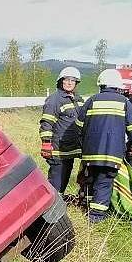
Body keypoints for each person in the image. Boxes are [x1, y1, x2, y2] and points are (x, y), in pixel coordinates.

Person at [75, 69, 132, 223]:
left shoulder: (91, 100)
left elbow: (78, 126)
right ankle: (96, 218)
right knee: (104, 184)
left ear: (101, 84)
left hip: (90, 154)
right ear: (118, 86)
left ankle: (85, 208)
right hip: (111, 155)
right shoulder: (124, 102)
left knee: (90, 180)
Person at [39, 67, 84, 195]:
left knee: (64, 180)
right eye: (66, 80)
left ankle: (59, 203)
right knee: (56, 183)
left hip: (70, 149)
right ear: (60, 81)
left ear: (76, 83)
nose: (69, 83)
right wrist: (46, 143)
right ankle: (50, 208)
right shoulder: (54, 100)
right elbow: (46, 122)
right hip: (57, 149)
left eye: (73, 80)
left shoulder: (78, 100)